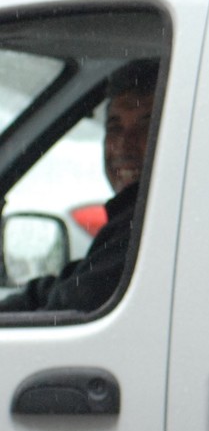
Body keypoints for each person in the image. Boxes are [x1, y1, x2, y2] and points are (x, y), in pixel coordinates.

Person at [1, 58, 159, 313]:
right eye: (115, 127)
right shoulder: (137, 219)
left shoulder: (152, 222)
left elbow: (69, 309)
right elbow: (69, 287)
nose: (123, 145)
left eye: (145, 126)